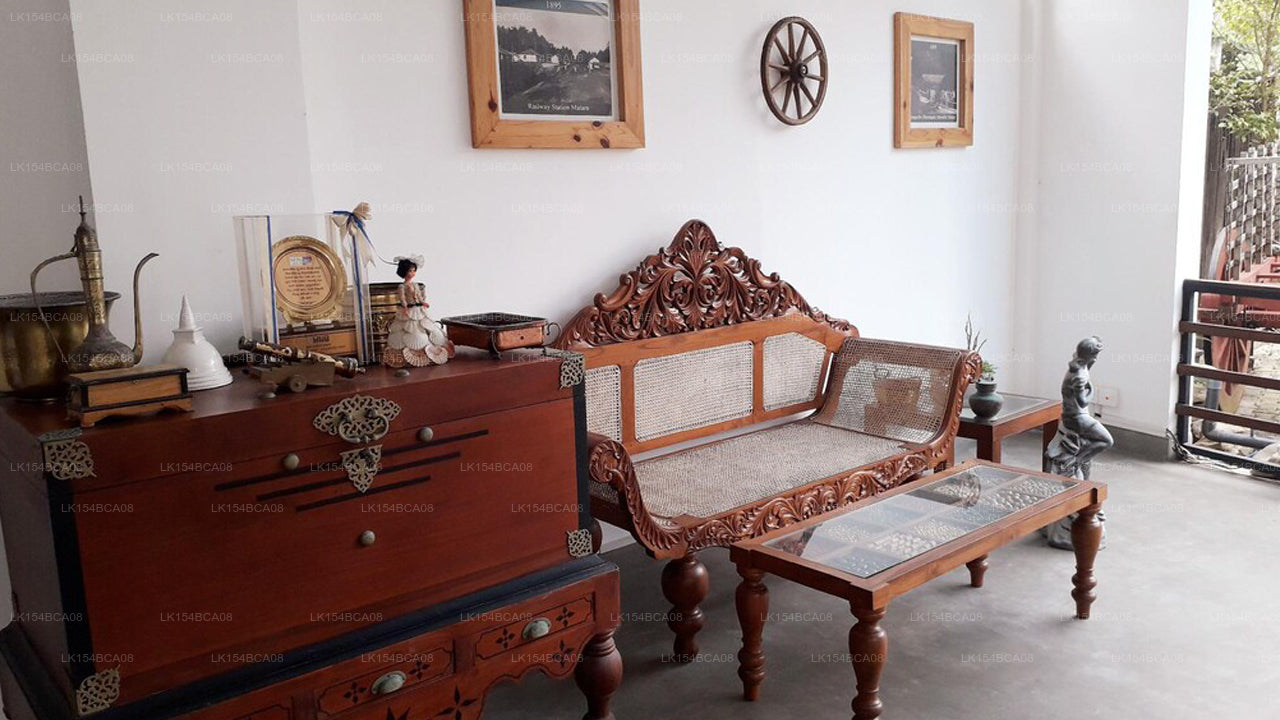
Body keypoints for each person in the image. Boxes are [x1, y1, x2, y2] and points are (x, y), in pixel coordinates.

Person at [382, 255, 454, 368]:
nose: (412, 273)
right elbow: (402, 299)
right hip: (408, 310)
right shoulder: (402, 286)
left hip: (419, 309)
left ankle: (429, 353)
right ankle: (408, 355)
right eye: (410, 271)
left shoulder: (415, 285)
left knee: (427, 327)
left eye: (414, 271)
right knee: (408, 329)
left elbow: (419, 296)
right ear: (404, 271)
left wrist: (423, 303)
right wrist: (405, 308)